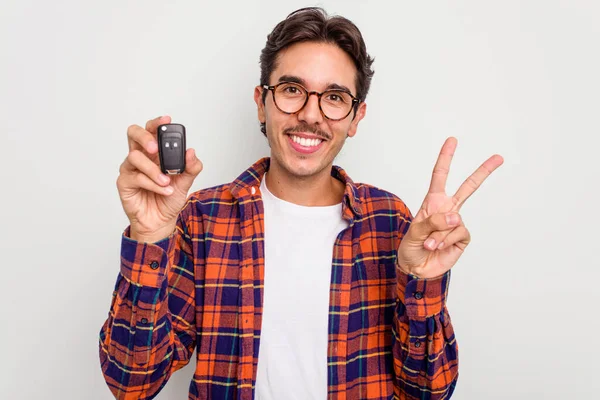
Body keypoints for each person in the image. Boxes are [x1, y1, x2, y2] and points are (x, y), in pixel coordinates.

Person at [99, 7, 503, 400]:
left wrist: (421, 283)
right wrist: (149, 237)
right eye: (292, 90)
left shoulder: (391, 224)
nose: (310, 115)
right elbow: (131, 384)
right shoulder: (202, 219)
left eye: (334, 96)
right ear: (262, 101)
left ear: (356, 116)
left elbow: (429, 392)